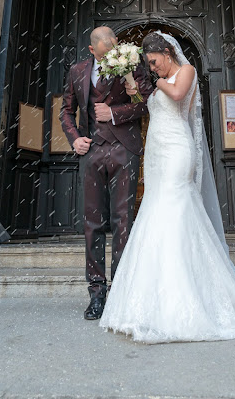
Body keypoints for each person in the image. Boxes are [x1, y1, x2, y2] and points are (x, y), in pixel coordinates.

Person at [99, 31, 235, 343]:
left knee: (176, 210)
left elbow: (177, 95)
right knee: (155, 211)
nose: (154, 68)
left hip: (178, 150)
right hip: (157, 154)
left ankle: (187, 298)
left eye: (155, 62)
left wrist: (151, 82)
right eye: (149, 64)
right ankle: (151, 299)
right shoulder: (157, 80)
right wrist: (135, 89)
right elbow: (149, 101)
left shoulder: (185, 71)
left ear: (167, 51)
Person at [60, 26, 153, 320]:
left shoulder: (133, 64)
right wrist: (74, 137)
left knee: (123, 219)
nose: (112, 45)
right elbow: (66, 111)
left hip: (124, 149)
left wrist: (114, 113)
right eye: (106, 43)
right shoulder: (77, 71)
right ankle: (97, 293)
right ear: (92, 50)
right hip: (91, 153)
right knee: (92, 223)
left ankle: (121, 291)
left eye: (114, 40)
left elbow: (145, 104)